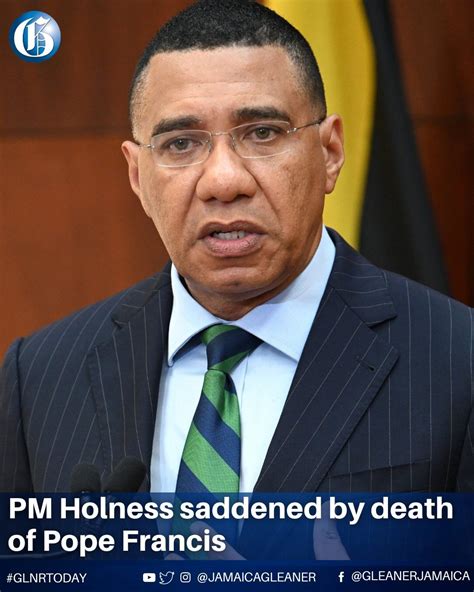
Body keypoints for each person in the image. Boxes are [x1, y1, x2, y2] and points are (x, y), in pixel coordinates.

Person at [0, 0, 472, 495]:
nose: (224, 182)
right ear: (137, 176)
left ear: (330, 153)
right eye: (181, 143)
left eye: (262, 133)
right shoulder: (40, 377)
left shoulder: (458, 362)